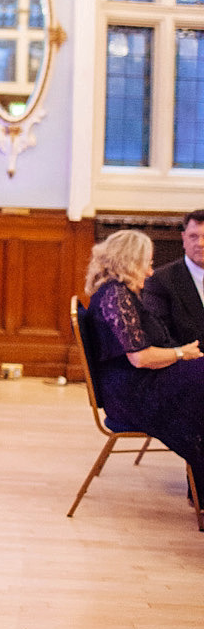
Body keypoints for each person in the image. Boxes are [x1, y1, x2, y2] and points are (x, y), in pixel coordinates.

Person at [84, 229, 204, 501]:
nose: (150, 273)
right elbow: (139, 357)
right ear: (130, 262)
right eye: (147, 264)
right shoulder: (115, 295)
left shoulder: (119, 292)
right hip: (132, 393)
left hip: (142, 383)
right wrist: (181, 353)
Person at [142, 210, 204, 348]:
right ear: (183, 238)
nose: (200, 243)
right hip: (188, 363)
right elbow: (161, 338)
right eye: (193, 236)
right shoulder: (160, 280)